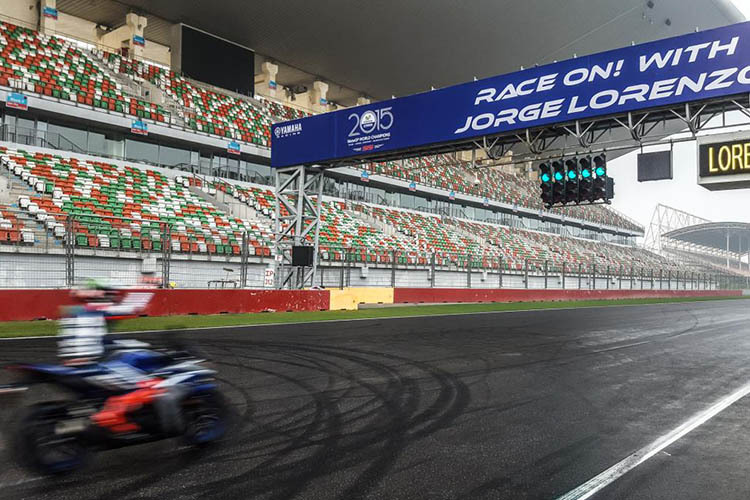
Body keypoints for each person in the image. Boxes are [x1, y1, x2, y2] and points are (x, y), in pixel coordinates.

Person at [57, 281, 184, 435]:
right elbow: (127, 309)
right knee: (149, 385)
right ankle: (113, 418)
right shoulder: (96, 308)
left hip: (70, 367)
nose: (112, 298)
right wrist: (139, 305)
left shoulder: (74, 312)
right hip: (91, 367)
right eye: (109, 295)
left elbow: (100, 340)